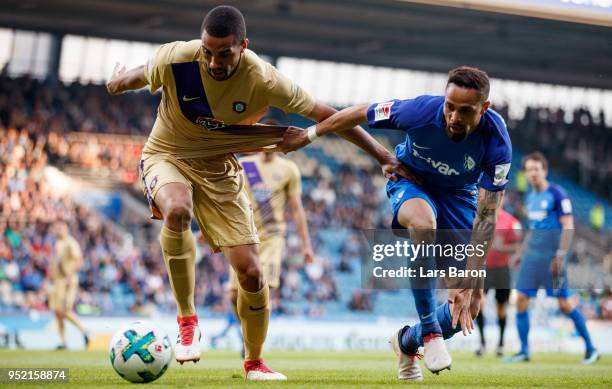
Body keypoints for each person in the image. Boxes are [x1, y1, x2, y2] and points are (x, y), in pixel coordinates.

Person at [106, 5, 407, 380]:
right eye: (208, 51)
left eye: (224, 53)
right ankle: (187, 321)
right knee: (178, 210)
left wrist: (381, 154)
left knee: (251, 274)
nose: (213, 61)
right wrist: (116, 82)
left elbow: (329, 114)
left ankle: (254, 363)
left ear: (243, 46)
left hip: (219, 169)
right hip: (167, 154)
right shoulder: (179, 56)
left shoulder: (264, 78)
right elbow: (141, 74)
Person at [279, 66, 512, 381]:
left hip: (459, 200)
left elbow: (487, 214)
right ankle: (430, 332)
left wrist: (469, 276)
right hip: (412, 182)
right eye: (450, 106)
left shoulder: (497, 143)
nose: (454, 116)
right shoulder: (418, 111)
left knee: (469, 308)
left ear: (484, 108)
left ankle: (407, 341)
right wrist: (308, 135)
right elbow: (356, 114)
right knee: (423, 223)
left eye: (465, 110)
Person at [504, 152, 599, 364]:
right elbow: (533, 229)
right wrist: (520, 254)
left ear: (544, 171)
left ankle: (591, 348)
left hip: (553, 261)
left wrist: (561, 255)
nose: (533, 174)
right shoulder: (530, 197)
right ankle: (524, 351)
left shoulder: (557, 194)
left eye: (536, 169)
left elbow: (568, 226)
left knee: (564, 304)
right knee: (520, 300)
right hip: (532, 260)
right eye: (529, 170)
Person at [227, 149, 313, 358]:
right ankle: (247, 333)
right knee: (234, 295)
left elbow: (296, 208)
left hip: (272, 238)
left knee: (263, 289)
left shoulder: (288, 169)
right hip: (243, 236)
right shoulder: (243, 165)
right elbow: (227, 200)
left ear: (278, 144)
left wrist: (306, 245)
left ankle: (255, 343)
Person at [474, 207, 522, 357]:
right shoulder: (479, 219)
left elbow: (519, 245)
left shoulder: (511, 222)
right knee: (478, 303)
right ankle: (482, 343)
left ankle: (501, 344)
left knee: (501, 307)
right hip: (484, 268)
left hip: (502, 270)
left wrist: (505, 249)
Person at [48, 221, 89, 350]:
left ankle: (85, 331)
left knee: (65, 310)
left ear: (66, 229)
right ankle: (63, 341)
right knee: (57, 312)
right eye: (57, 228)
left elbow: (78, 260)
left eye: (61, 228)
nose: (58, 230)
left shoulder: (70, 242)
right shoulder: (57, 243)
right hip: (57, 281)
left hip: (68, 280)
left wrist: (70, 276)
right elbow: (56, 263)